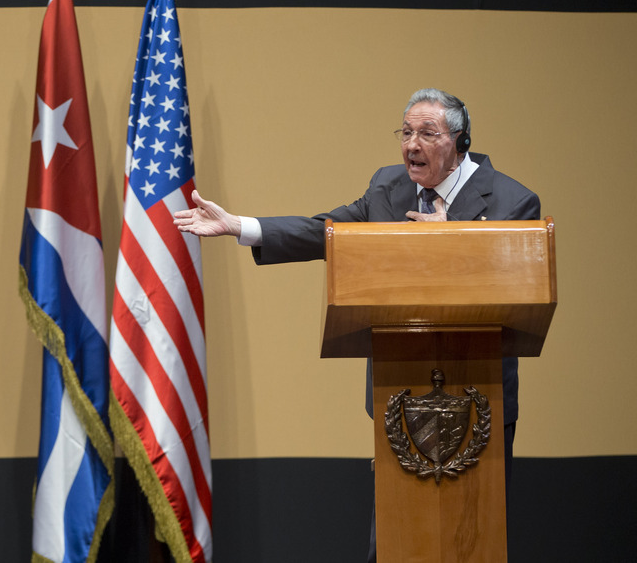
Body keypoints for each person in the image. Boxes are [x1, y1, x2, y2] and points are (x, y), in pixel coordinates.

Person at [173, 87, 539, 561]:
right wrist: (240, 226)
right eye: (406, 132)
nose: (412, 144)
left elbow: (519, 286)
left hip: (479, 400)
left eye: (427, 133)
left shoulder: (513, 200)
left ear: (460, 142)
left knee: (472, 540)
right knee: (393, 541)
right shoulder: (388, 187)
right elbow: (326, 230)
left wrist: (451, 241)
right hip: (398, 393)